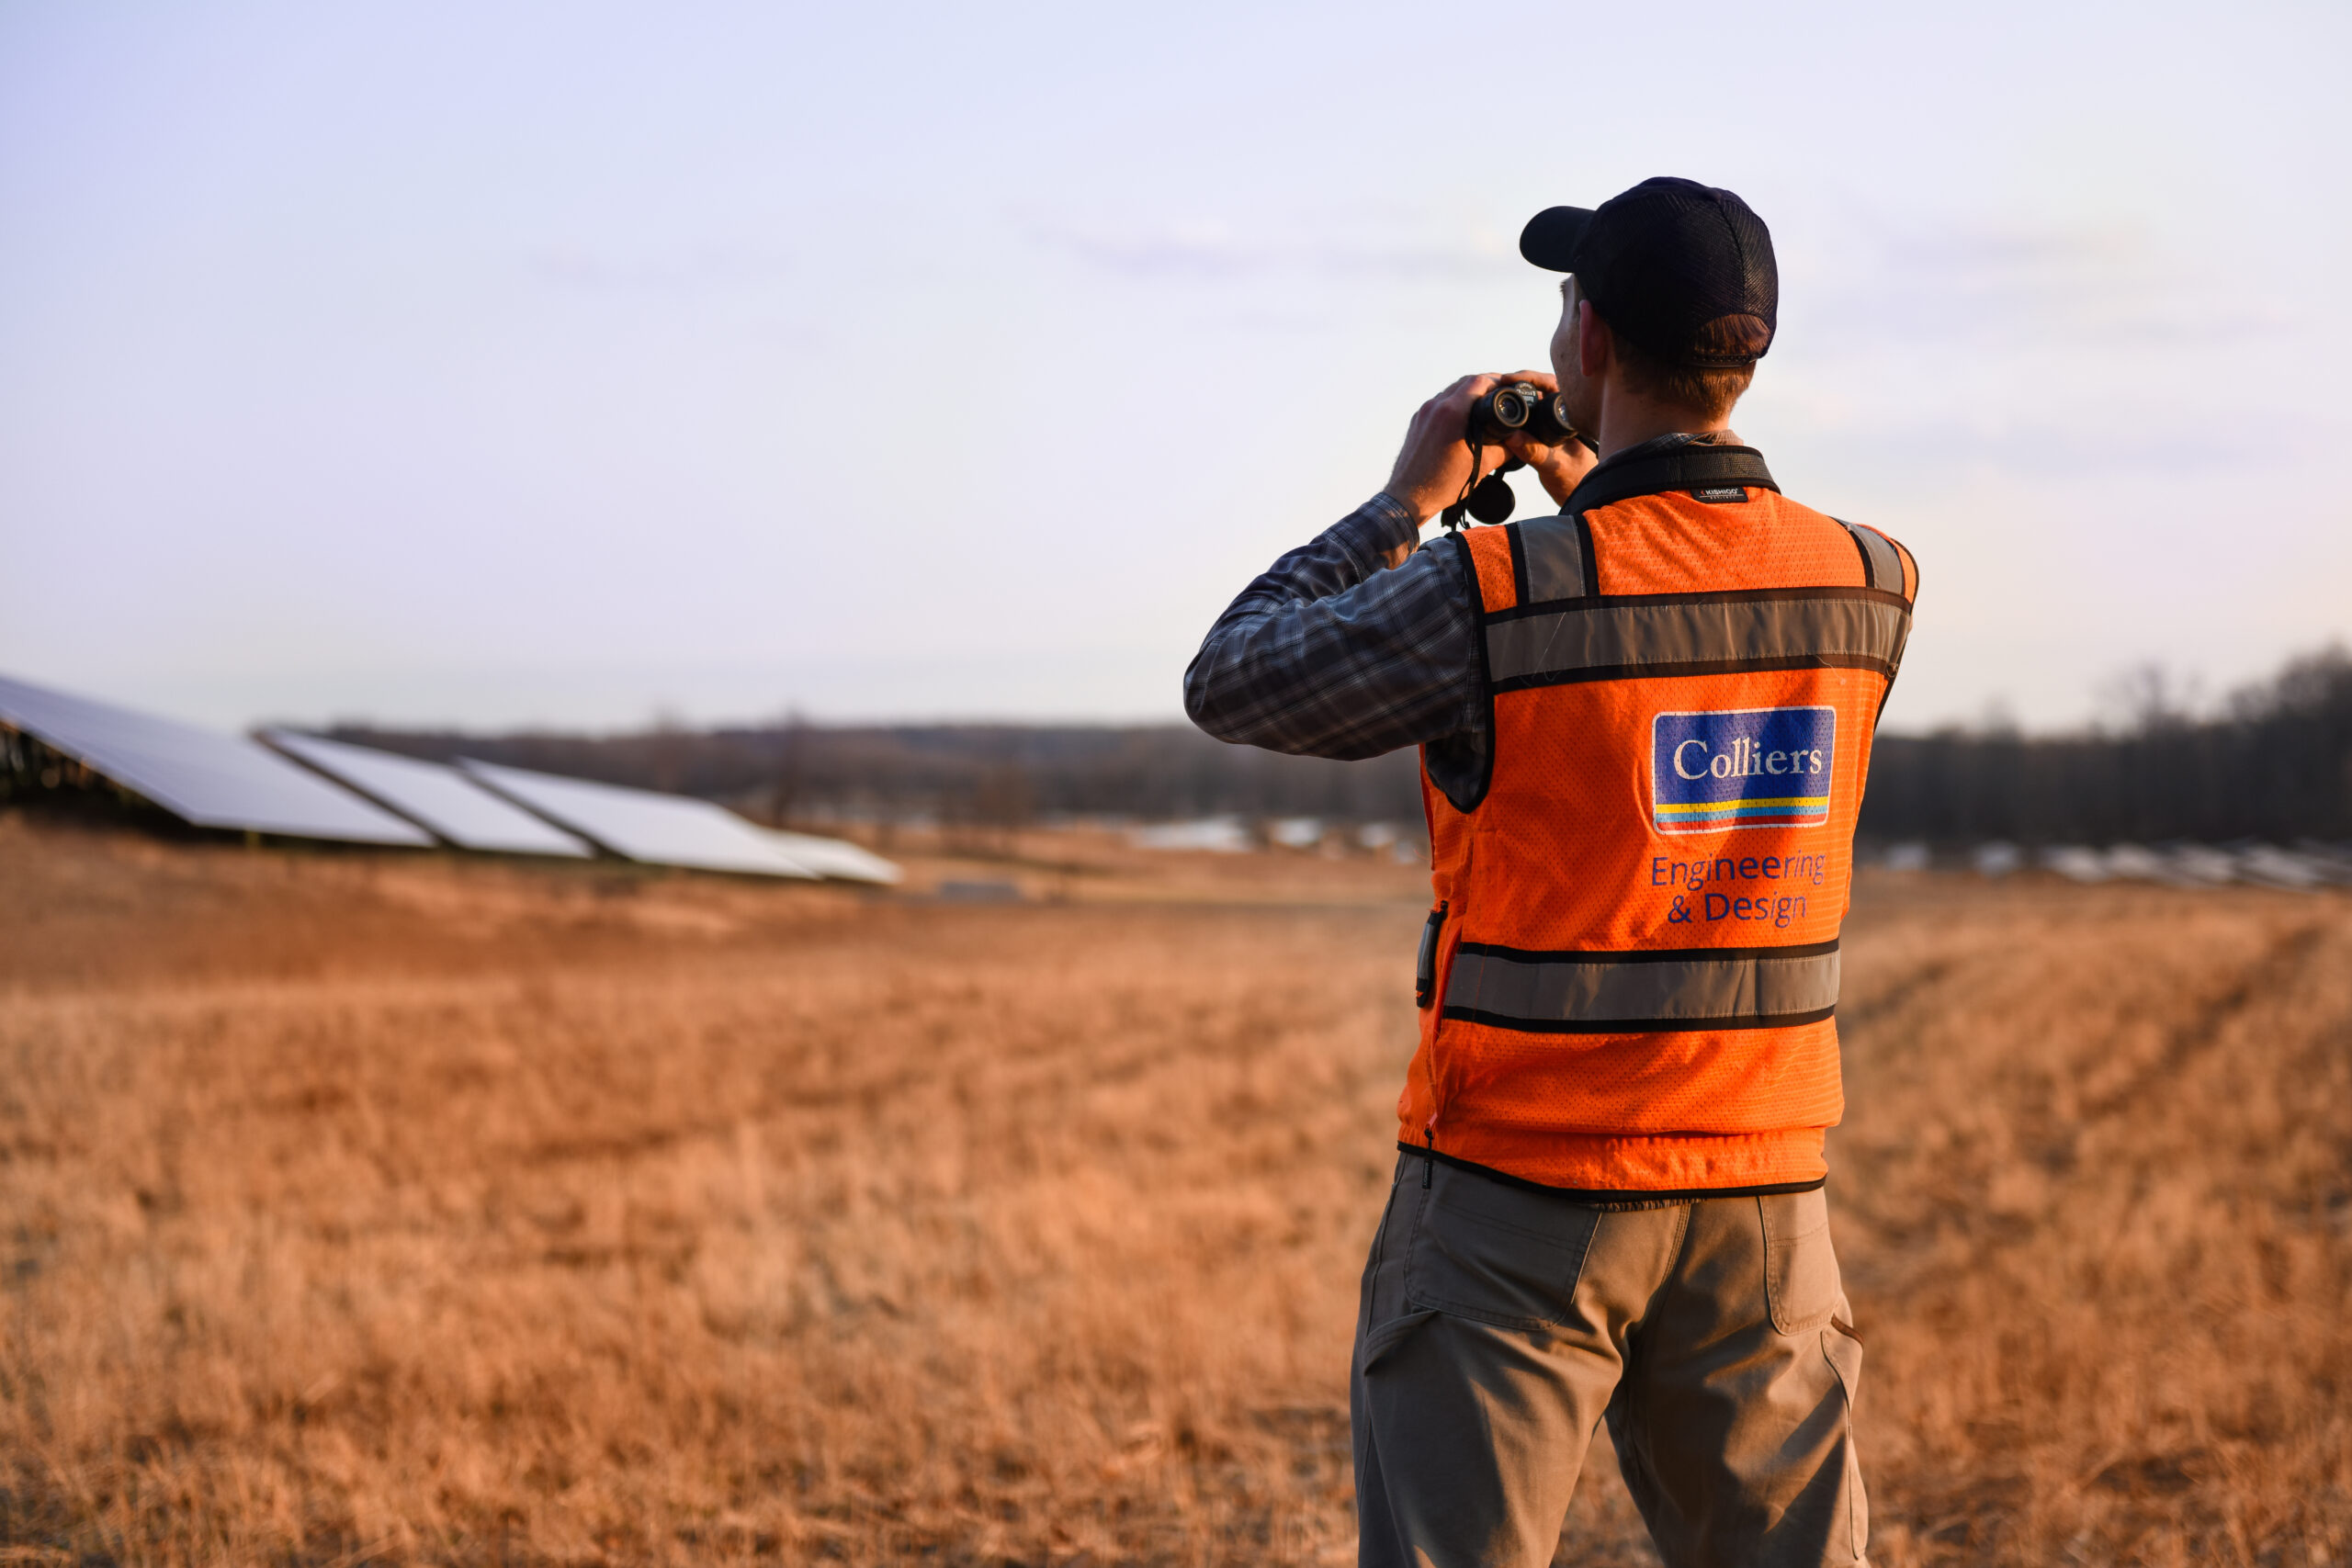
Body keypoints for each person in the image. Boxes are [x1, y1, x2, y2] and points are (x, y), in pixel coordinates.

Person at [1183, 177, 1917, 1568]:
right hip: (1765, 1198)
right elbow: (1685, 640)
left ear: (1584, 342)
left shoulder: (1498, 590)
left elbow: (1237, 675)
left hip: (1516, 1202)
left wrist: (1405, 501)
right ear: (1748, 352)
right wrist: (1608, 498)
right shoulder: (1869, 584)